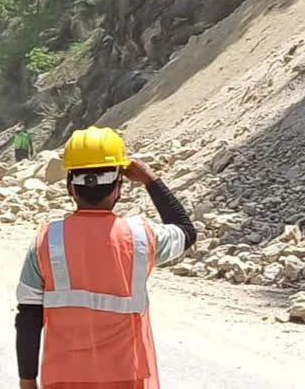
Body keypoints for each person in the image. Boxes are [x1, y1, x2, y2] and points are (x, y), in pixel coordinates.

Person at [15, 126, 196, 389]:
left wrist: (27, 380)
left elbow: (29, 315)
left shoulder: (47, 241)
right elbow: (186, 231)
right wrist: (150, 180)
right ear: (118, 188)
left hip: (63, 377)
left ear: (70, 188)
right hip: (129, 375)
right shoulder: (142, 236)